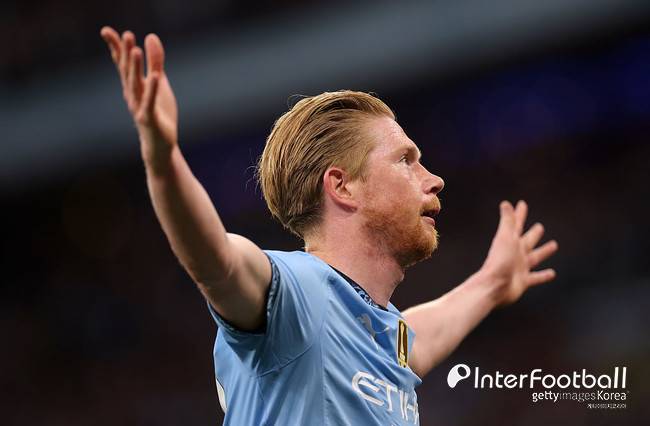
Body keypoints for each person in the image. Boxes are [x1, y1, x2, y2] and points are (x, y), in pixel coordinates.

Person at [100, 27, 559, 425]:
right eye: (406, 160)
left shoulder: (380, 332)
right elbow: (215, 259)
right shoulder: (297, 293)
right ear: (342, 187)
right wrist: (164, 161)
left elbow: (417, 340)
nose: (433, 179)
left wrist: (491, 283)